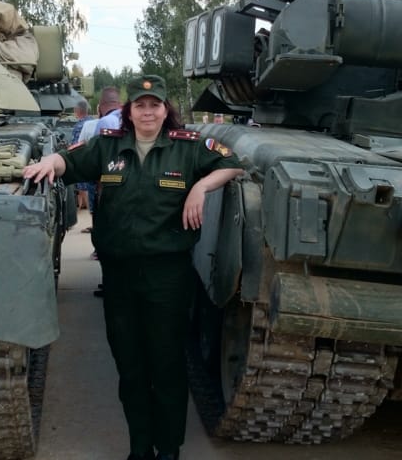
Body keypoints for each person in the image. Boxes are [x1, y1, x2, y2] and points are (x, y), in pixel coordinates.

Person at [23, 74, 244, 460]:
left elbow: (233, 165)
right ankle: (140, 448)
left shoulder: (186, 148)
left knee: (167, 365)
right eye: (140, 105)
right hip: (120, 277)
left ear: (165, 109)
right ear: (129, 111)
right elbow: (68, 161)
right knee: (130, 367)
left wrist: (200, 187)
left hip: (168, 277)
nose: (147, 112)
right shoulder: (109, 145)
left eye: (154, 105)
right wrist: (46, 163)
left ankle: (168, 449)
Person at [78, 86, 124, 271]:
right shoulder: (128, 118)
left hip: (106, 184)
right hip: (128, 182)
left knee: (103, 224)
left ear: (101, 105)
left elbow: (98, 156)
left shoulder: (103, 122)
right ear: (119, 103)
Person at [69, 99, 94, 211]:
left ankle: (89, 208)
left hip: (83, 159)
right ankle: (83, 204)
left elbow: (76, 146)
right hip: (95, 158)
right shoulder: (94, 121)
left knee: (83, 185)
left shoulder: (79, 126)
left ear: (77, 110)